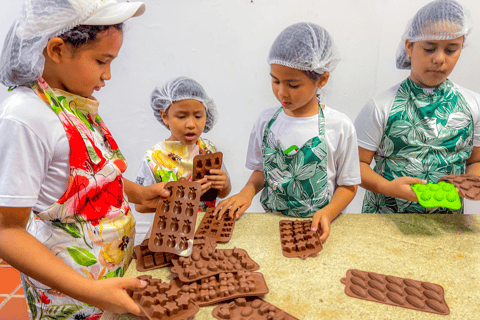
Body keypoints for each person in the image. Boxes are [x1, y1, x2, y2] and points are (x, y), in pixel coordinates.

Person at [0, 1, 171, 318]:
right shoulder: (26, 117)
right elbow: (7, 232)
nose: (108, 75)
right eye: (101, 61)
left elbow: (92, 177)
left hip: (109, 282)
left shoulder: (71, 103)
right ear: (57, 50)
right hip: (72, 295)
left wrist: (138, 193)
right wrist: (93, 292)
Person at [213, 22, 361, 243]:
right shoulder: (266, 122)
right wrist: (247, 192)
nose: (281, 92)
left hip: (320, 228)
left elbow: (348, 186)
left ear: (322, 79)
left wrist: (328, 213)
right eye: (275, 81)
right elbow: (261, 172)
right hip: (270, 226)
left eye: (293, 84)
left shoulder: (339, 126)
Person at [354, 0, 480, 214]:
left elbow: (476, 160)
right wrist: (387, 187)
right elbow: (356, 165)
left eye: (451, 50)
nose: (439, 59)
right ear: (409, 47)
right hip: (385, 221)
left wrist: (469, 182)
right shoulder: (381, 106)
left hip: (447, 225)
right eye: (429, 48)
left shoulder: (473, 105)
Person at [135, 76, 231, 214]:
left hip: (204, 229)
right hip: (170, 231)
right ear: (164, 116)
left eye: (198, 116)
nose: (191, 125)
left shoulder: (209, 149)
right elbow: (140, 206)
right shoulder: (153, 158)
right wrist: (177, 198)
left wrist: (225, 184)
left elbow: (222, 193)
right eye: (181, 116)